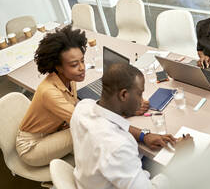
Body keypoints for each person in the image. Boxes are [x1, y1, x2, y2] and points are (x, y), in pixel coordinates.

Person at [15, 25, 156, 167]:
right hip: (32, 146)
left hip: (56, 130)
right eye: (74, 64)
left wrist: (122, 107)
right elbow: (90, 122)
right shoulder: (49, 92)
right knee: (88, 131)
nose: (82, 68)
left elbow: (82, 109)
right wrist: (141, 131)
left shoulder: (69, 78)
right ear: (58, 67)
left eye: (82, 61)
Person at [70, 62, 194, 189]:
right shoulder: (117, 147)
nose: (142, 100)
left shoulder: (83, 107)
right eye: (139, 94)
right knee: (192, 173)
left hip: (91, 180)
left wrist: (144, 135)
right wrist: (179, 159)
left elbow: (115, 123)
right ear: (124, 95)